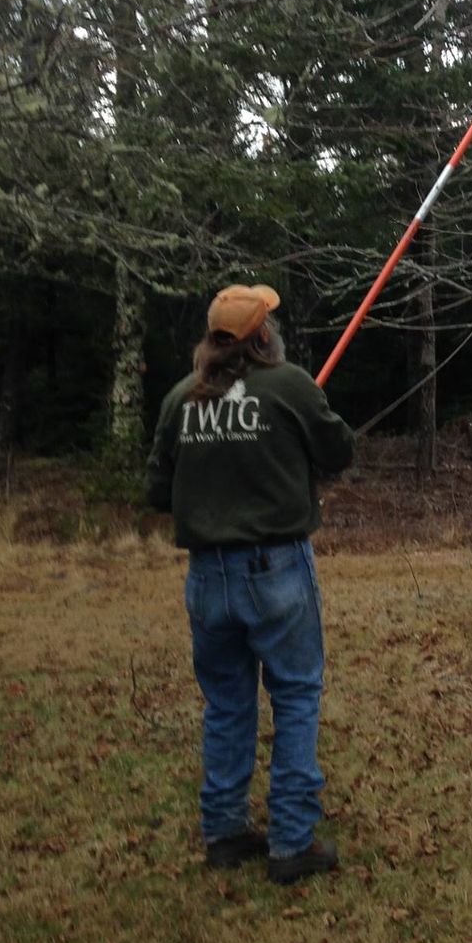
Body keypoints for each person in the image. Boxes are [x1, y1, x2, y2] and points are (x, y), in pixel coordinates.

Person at [146, 282, 355, 883]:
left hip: (207, 577)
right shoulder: (290, 385)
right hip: (277, 571)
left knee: (227, 704)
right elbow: (339, 450)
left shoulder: (180, 399)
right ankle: (291, 844)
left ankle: (225, 832)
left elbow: (158, 490)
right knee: (294, 698)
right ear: (263, 335)